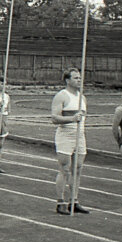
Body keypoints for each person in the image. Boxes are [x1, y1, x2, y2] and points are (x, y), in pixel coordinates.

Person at [50, 68, 90, 215]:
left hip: (80, 135)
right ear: (67, 80)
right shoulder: (61, 96)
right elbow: (54, 118)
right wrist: (72, 119)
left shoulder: (82, 98)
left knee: (78, 168)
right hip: (65, 135)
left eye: (80, 78)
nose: (79, 80)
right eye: (75, 78)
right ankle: (60, 202)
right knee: (65, 169)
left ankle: (74, 200)